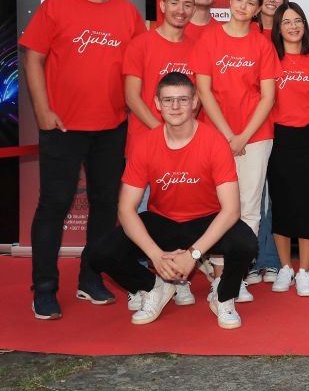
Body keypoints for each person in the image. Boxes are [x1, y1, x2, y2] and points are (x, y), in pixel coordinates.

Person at [20, 0, 146, 319]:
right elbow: (33, 59)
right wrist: (43, 110)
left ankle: (90, 278)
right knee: (53, 205)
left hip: (112, 127)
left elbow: (141, 68)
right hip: (62, 126)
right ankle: (44, 287)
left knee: (106, 207)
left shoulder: (128, 14)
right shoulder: (55, 7)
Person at [89, 72, 257, 329]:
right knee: (99, 252)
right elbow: (125, 209)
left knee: (246, 243)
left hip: (205, 219)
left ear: (194, 102)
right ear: (157, 104)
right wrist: (156, 256)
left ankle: (223, 296)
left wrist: (193, 255)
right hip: (163, 220)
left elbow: (231, 210)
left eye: (182, 99)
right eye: (168, 100)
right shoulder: (145, 144)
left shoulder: (214, 141)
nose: (175, 106)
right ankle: (153, 287)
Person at [192, 0, 280, 302]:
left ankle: (236, 276)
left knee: (249, 207)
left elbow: (268, 97)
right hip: (215, 135)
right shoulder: (209, 38)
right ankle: (217, 274)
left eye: (250, 3)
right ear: (229, 1)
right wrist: (228, 134)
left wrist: (243, 136)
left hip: (255, 136)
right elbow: (203, 90)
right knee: (216, 206)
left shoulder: (262, 45)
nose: (243, 7)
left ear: (257, 10)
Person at [123, 0, 198, 307]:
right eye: (175, 3)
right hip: (145, 147)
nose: (181, 10)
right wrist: (163, 134)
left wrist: (181, 138)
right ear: (163, 6)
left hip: (185, 152)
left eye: (187, 4)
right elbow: (132, 96)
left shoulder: (197, 48)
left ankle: (177, 277)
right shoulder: (141, 44)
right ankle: (140, 283)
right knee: (139, 216)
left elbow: (199, 97)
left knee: (176, 218)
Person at [266, 2, 309, 297]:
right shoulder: (269, 59)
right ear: (278, 28)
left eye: (298, 20)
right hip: (279, 138)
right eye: (286, 22)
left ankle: (304, 271)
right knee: (282, 202)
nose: (293, 26)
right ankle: (286, 267)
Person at [246, 0, 288, 287]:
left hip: (283, 126)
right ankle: (249, 260)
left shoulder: (288, 33)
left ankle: (270, 259)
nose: (272, 0)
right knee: (251, 198)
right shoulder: (246, 32)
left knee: (275, 196)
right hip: (253, 127)